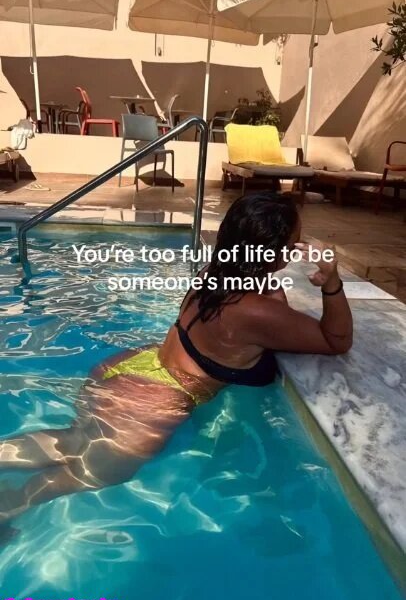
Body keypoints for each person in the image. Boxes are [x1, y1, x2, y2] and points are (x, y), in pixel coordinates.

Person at [0, 192, 352, 524]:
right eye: (292, 245)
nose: (295, 251)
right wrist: (331, 282)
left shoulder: (214, 276)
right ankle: (8, 507)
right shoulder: (256, 311)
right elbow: (336, 340)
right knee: (91, 473)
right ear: (273, 253)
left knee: (71, 442)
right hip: (153, 399)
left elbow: (266, 312)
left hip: (135, 364)